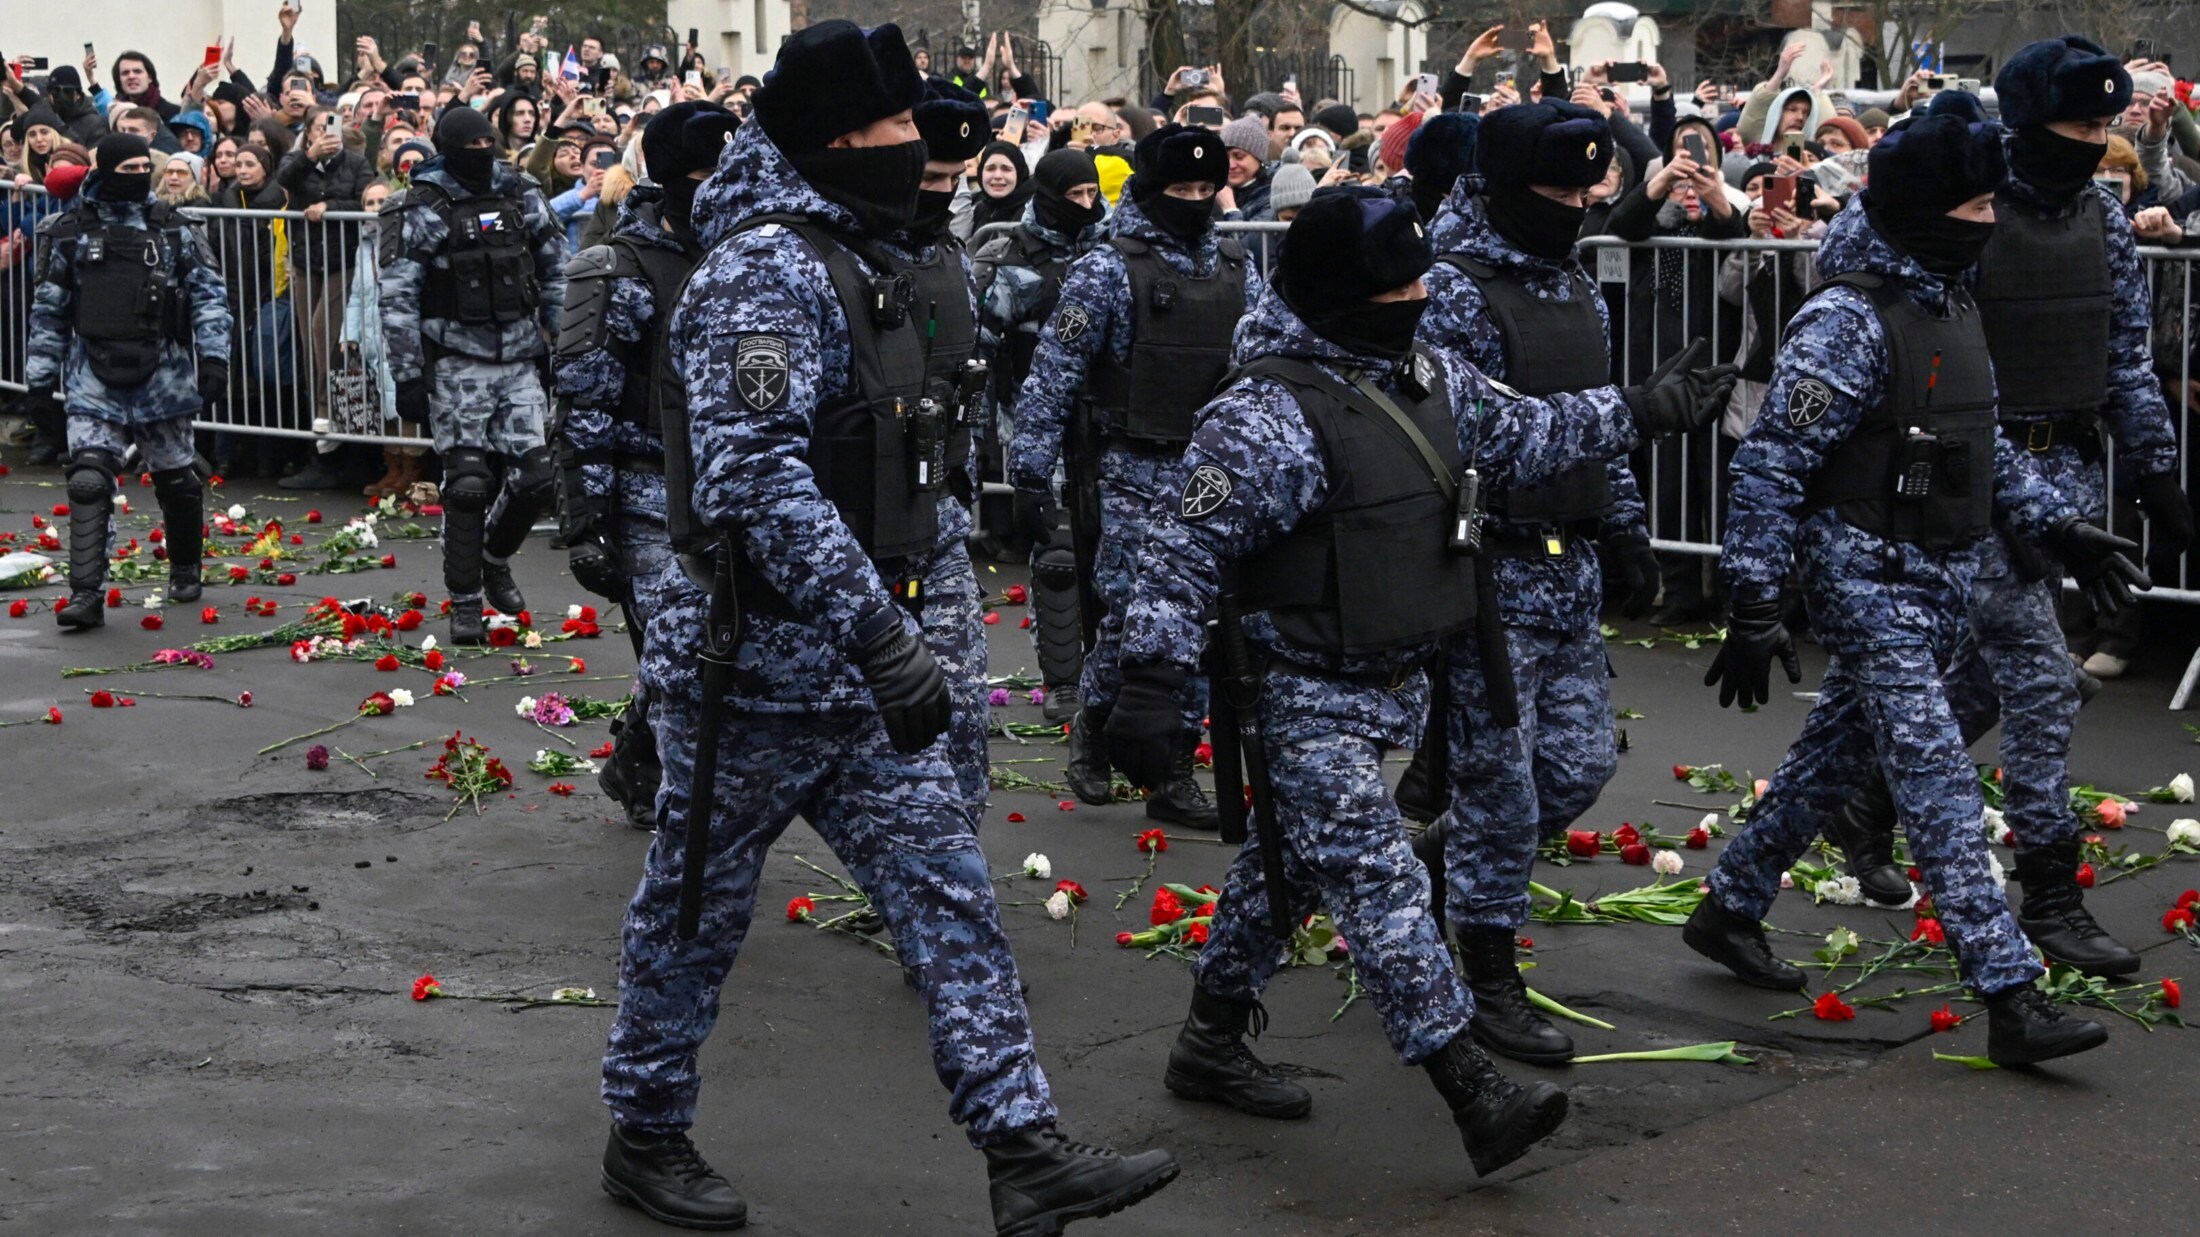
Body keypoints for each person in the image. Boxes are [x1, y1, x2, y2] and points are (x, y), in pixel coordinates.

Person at [596, 22, 1178, 1234]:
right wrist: (877, 632)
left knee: (949, 896)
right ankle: (643, 1134)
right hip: (753, 672)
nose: (915, 150)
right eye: (889, 133)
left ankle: (1022, 1149)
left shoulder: (879, 257)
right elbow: (755, 477)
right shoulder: (764, 268)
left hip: (870, 681)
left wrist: (909, 629)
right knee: (691, 916)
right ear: (826, 144)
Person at [1107, 184, 1734, 1176]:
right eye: (1394, 282)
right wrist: (1147, 683)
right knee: (1379, 876)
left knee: (1291, 867)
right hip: (1303, 689)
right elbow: (1180, 555)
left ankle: (1209, 1036)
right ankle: (1470, 1089)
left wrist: (1644, 408)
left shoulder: (1430, 376)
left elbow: (1531, 431)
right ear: (1341, 291)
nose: (1416, 294)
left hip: (1408, 666)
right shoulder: (1263, 413)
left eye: (1418, 277)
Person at [1690, 113, 2153, 1070]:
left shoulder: (1949, 299)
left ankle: (1728, 907)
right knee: (1938, 777)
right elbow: (1771, 468)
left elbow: (1978, 446)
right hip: (1866, 573)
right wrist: (1752, 601)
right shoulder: (1845, 322)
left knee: (1831, 757)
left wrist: (2060, 524)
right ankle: (2010, 990)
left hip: (1934, 566)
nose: (1992, 221)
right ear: (1925, 211)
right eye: (1976, 205)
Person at [1819, 39, 2192, 978]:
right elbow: (1860, 285)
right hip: (1965, 474)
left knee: (1985, 673)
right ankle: (2050, 894)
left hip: (2060, 468)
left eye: (2106, 126)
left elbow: (2124, 352)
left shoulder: (2103, 218)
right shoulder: (1961, 206)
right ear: (2025, 126)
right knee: (2040, 674)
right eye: (2077, 127)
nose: (2095, 142)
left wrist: (2156, 474)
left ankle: (1865, 796)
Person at [1395, 103, 1677, 1068]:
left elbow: (1606, 415)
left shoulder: (1573, 290)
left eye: (1583, 192)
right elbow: (1471, 430)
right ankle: (1484, 972)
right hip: (1487, 567)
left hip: (1568, 558)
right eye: (1554, 192)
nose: (1573, 207)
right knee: (1500, 784)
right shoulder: (1454, 290)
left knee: (1578, 764)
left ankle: (1432, 866)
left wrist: (1629, 530)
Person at [1008, 123, 1261, 828]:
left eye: (1207, 190)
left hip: (1211, 472)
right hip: (1131, 469)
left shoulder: (1237, 267)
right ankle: (1094, 730)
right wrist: (1030, 475)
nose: (1195, 200)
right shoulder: (1108, 267)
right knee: (1130, 620)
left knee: (1199, 624)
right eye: (1181, 189)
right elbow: (1054, 374)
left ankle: (1173, 770)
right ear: (1152, 192)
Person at [553, 101, 741, 835]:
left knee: (715, 644)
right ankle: (677, 798)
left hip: (726, 482)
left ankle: (636, 757)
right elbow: (585, 400)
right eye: (705, 174)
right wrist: (587, 522)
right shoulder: (620, 266)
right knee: (684, 649)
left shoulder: (745, 251)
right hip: (646, 488)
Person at [24, 133, 230, 630]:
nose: (139, 176)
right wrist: (38, 382)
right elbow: (49, 310)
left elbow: (209, 296)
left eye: (146, 167)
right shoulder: (67, 230)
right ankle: (86, 594)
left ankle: (185, 565)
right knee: (90, 479)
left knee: (176, 478)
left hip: (163, 371)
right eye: (129, 167)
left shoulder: (178, 228)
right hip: (92, 373)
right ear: (107, 169)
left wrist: (216, 358)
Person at [379, 104, 568, 642]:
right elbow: (398, 296)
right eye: (473, 147)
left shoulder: (520, 190)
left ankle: (493, 556)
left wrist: (563, 348)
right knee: (466, 484)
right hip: (456, 358)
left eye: (490, 145)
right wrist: (408, 374)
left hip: (520, 358)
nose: (482, 155)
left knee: (537, 477)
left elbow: (556, 268)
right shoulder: (421, 203)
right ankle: (464, 601)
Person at [974, 148, 1112, 721]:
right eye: (1074, 196)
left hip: (1112, 423)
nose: (1085, 205)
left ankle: (1115, 677)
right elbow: (981, 353)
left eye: (1091, 194)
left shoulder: (1113, 252)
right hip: (1036, 421)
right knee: (1056, 554)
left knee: (1121, 552)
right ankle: (1063, 682)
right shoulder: (1009, 260)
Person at [967, 139, 1031, 237]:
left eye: (1006, 169)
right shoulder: (980, 209)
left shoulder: (1031, 213)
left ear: (1019, 173)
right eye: (990, 168)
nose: (997, 176)